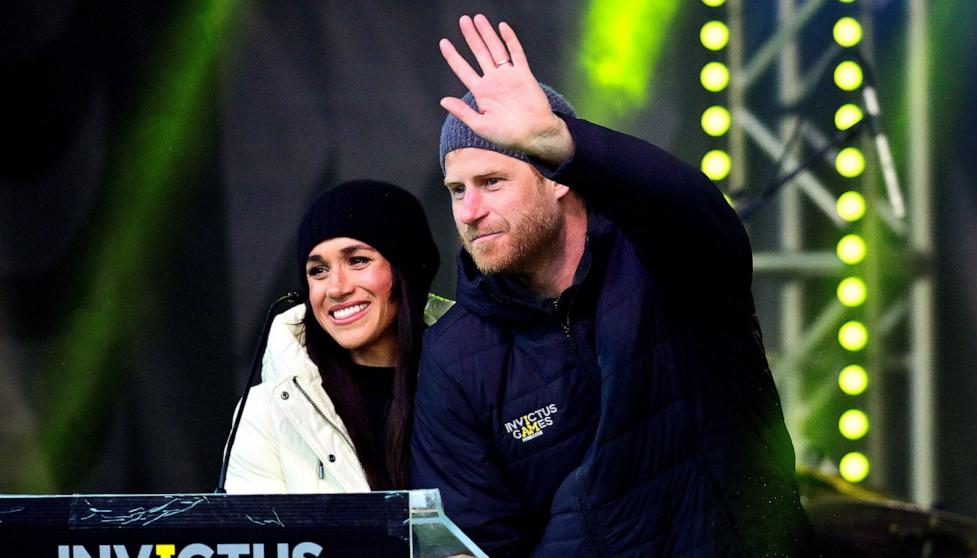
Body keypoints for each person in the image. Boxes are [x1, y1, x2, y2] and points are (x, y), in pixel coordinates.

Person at [410, 14, 818, 557]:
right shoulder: (454, 354)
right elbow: (473, 537)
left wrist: (562, 141)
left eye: (492, 182)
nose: (471, 211)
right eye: (457, 190)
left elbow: (694, 212)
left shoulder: (662, 261)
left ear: (557, 179)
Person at [225, 179, 440, 493]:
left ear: (407, 271)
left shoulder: (473, 381)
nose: (337, 288)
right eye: (318, 270)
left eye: (357, 261)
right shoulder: (265, 413)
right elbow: (261, 540)